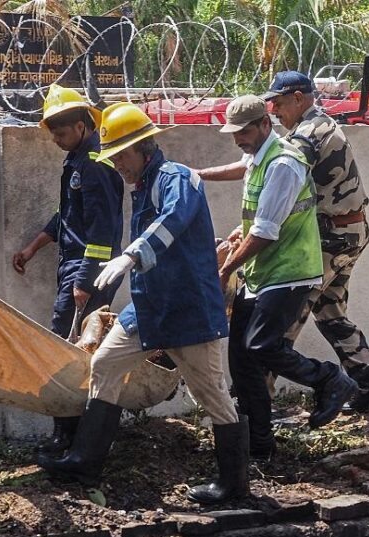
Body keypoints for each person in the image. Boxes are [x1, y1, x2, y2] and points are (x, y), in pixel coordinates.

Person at [39, 102, 250, 505]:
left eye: (121, 156)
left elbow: (172, 221)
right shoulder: (140, 185)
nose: (117, 164)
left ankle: (234, 485)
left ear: (143, 148)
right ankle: (85, 460)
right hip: (149, 305)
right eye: (113, 157)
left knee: (211, 394)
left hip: (187, 308)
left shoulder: (178, 179)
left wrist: (130, 255)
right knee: (104, 363)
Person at [199, 71, 369, 412]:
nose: (273, 109)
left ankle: (258, 402)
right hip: (349, 233)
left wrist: (242, 233)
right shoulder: (314, 127)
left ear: (299, 97)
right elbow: (249, 166)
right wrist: (196, 174)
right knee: (331, 313)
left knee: (282, 319)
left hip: (329, 240)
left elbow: (276, 189)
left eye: (277, 101)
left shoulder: (305, 137)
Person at [217, 95, 358, 458]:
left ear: (265, 125)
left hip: (291, 271)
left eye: (244, 131)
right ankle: (259, 446)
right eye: (234, 132)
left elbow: (265, 231)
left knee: (262, 346)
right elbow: (257, 215)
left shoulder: (283, 163)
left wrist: (227, 268)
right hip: (263, 273)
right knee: (243, 362)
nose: (238, 139)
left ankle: (329, 378)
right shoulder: (258, 158)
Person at [12, 84, 124, 456]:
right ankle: (76, 433)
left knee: (69, 352)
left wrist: (84, 281)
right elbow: (69, 217)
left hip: (89, 270)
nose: (57, 139)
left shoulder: (95, 164)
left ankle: (72, 436)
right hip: (76, 266)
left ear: (81, 126)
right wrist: (33, 247)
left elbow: (101, 230)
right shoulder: (78, 160)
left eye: (61, 133)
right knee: (75, 350)